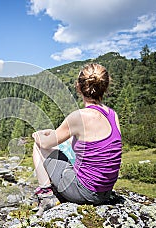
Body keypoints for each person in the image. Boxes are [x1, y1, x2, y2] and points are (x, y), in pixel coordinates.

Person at [32, 63, 122, 216]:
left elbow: (45, 143)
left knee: (38, 147)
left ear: (79, 87)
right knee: (67, 145)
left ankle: (46, 196)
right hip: (106, 192)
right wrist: (55, 133)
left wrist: (38, 135)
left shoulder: (79, 116)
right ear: (105, 87)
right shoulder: (113, 115)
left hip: (85, 192)